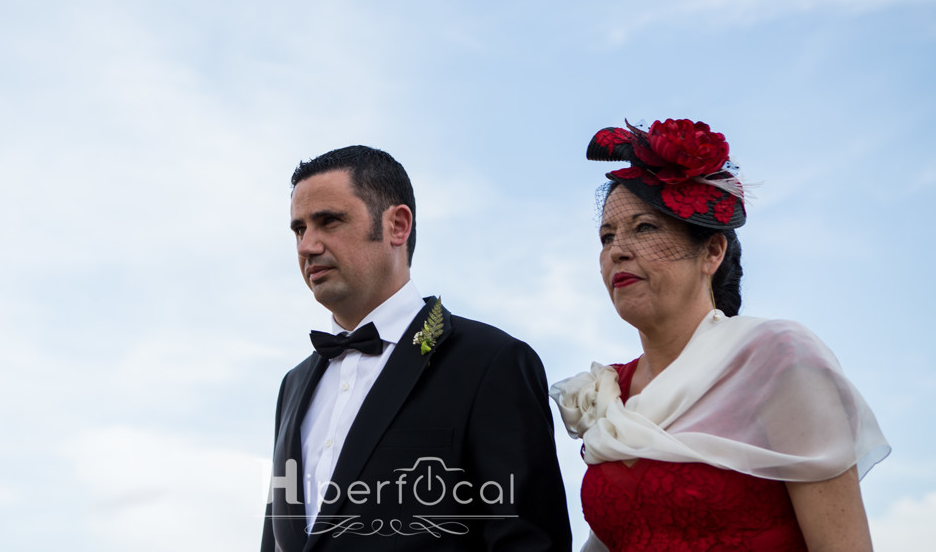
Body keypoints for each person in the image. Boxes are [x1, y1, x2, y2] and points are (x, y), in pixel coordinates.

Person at [551, 119, 890, 552]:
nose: (617, 250)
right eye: (606, 236)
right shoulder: (612, 393)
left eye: (645, 228)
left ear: (712, 252)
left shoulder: (776, 361)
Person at [262, 145, 572, 552]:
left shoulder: (490, 362)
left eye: (329, 221)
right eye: (299, 229)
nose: (307, 246)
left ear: (397, 225)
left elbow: (528, 543)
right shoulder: (293, 384)